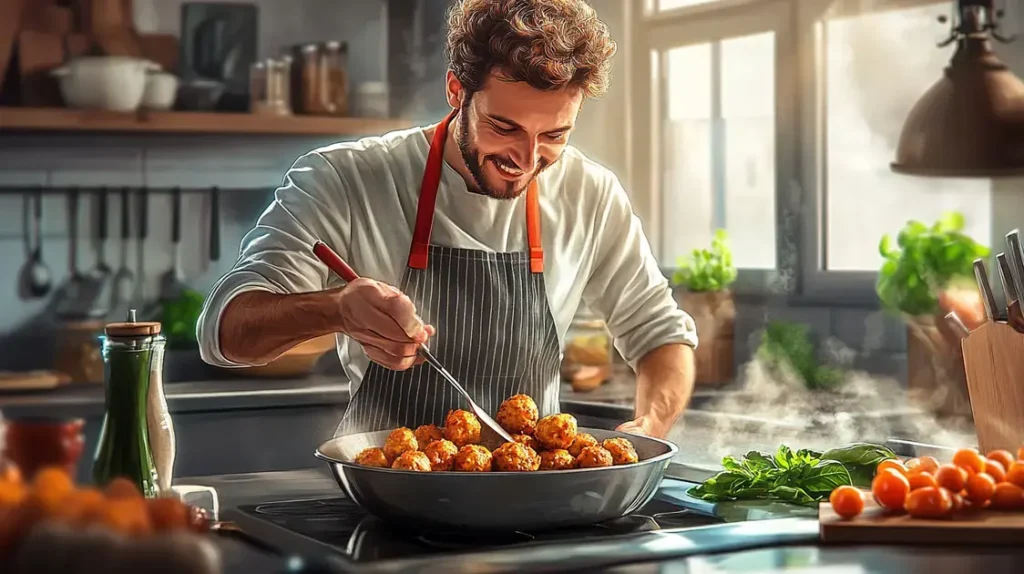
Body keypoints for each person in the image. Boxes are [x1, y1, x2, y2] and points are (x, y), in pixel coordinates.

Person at [196, 0, 698, 439]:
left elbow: (661, 336)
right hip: (391, 494)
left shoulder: (591, 193)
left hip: (538, 500)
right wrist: (337, 308)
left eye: (555, 136)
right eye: (505, 127)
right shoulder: (345, 178)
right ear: (457, 91)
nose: (526, 159)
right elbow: (225, 334)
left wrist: (647, 428)